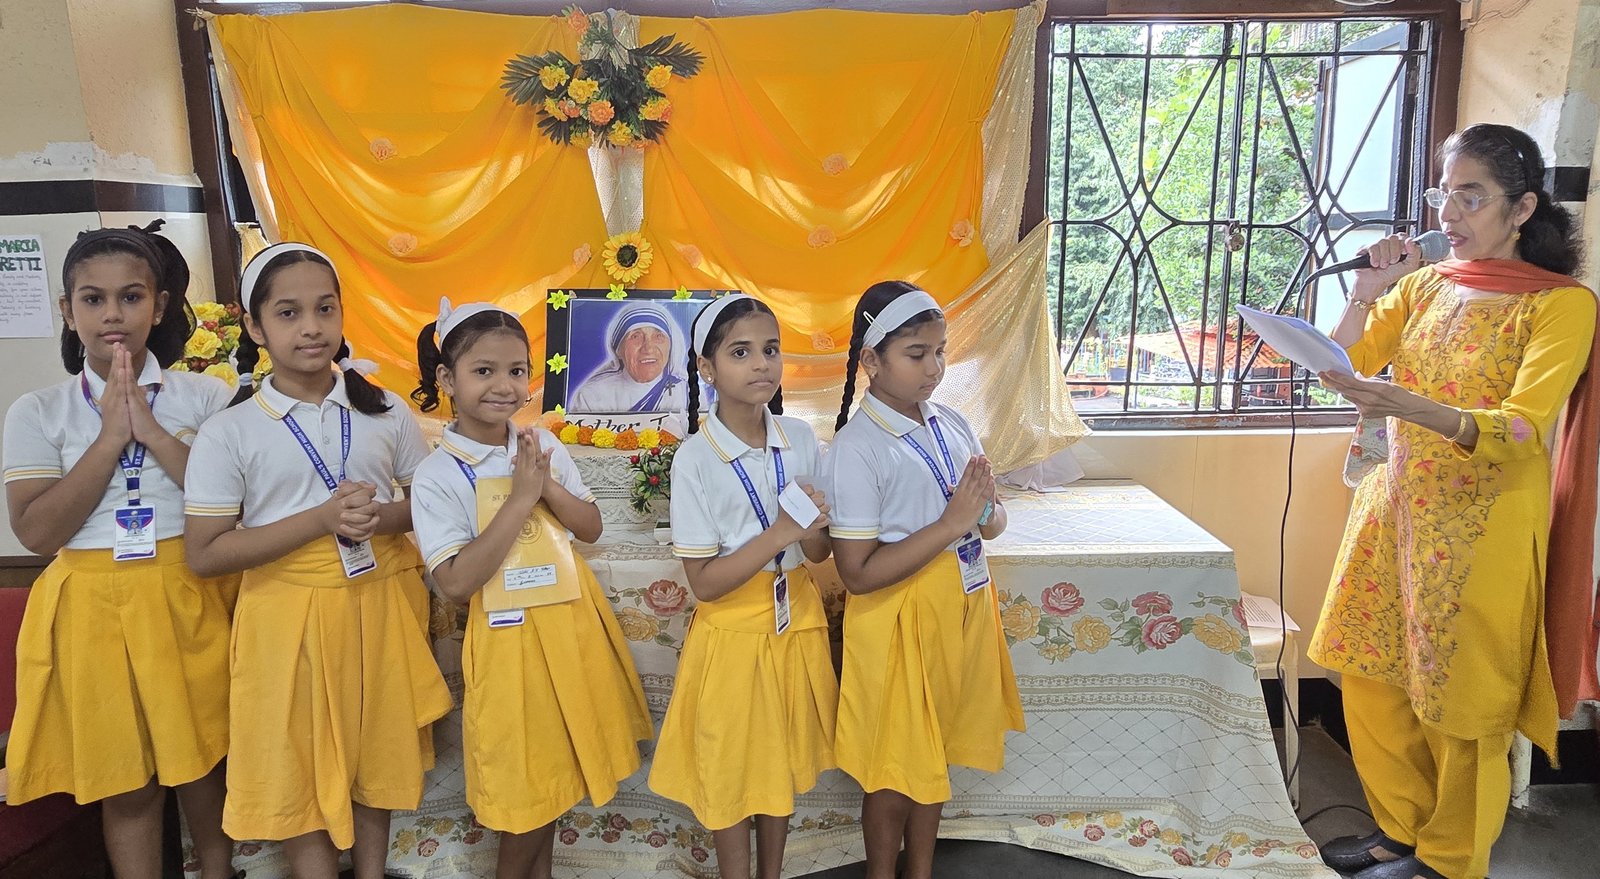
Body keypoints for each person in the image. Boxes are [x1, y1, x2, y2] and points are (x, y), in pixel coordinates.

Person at [1312, 123, 1597, 879]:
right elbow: (1346, 365)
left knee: (1462, 703)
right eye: (1445, 193)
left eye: (1472, 196)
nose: (1449, 213)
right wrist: (1366, 292)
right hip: (1394, 508)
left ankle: (1449, 859)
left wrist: (1412, 406)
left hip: (1484, 525)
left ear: (1523, 208)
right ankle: (1399, 832)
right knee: (1368, 673)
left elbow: (1523, 426)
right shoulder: (1426, 285)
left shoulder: (1562, 306)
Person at [183, 243, 452, 879]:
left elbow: (427, 505)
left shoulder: (385, 409)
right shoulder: (232, 429)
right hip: (285, 618)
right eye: (288, 312)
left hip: (378, 606)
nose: (310, 327)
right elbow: (206, 552)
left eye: (325, 309)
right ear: (255, 328)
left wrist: (377, 517)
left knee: (375, 755)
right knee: (298, 765)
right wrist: (321, 520)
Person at [2, 222, 237, 879]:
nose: (113, 314)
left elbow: (233, 505)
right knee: (127, 781)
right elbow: (37, 532)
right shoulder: (37, 410)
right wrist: (109, 439)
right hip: (90, 606)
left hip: (188, 588)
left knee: (204, 766)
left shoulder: (207, 396)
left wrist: (152, 431)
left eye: (130, 297)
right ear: (67, 309)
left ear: (157, 307)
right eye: (93, 298)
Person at [408, 298, 652, 879]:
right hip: (508, 641)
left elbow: (590, 527)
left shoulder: (543, 446)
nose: (504, 385)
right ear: (447, 379)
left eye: (516, 370)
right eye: (484, 370)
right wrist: (519, 499)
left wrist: (545, 485)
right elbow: (454, 582)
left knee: (556, 781)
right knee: (524, 794)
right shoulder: (437, 474)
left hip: (569, 624)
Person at [823, 282, 1023, 879]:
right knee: (893, 769)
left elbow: (992, 521)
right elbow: (857, 574)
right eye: (916, 354)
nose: (934, 368)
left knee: (932, 756)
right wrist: (950, 523)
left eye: (940, 351)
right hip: (897, 619)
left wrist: (982, 512)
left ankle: (922, 871)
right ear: (871, 360)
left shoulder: (950, 423)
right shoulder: (857, 448)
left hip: (959, 607)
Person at [648, 294, 838, 879]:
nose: (761, 364)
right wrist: (781, 529)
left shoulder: (800, 438)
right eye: (740, 352)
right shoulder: (695, 458)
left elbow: (817, 552)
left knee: (778, 766)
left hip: (794, 619)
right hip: (732, 634)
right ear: (707, 368)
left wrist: (813, 526)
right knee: (731, 772)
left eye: (770, 350)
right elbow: (704, 583)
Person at [569, 301, 689, 412]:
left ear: (671, 346)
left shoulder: (686, 393)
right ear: (618, 350)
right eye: (635, 336)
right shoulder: (591, 397)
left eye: (658, 336)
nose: (648, 348)